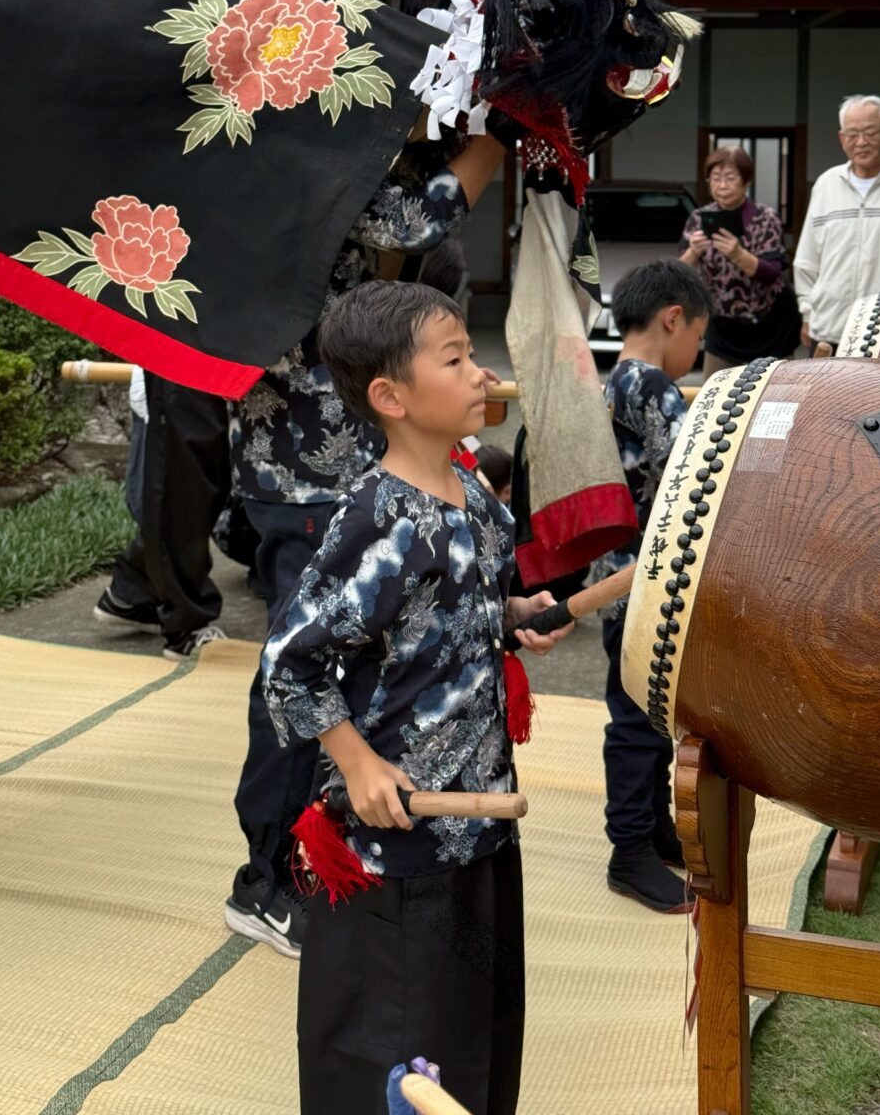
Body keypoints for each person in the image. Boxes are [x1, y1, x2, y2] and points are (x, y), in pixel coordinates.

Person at [262, 280, 572, 1115]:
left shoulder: (474, 495)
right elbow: (290, 663)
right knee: (395, 1059)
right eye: (457, 358)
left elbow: (441, 613)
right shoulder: (377, 520)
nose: (481, 374)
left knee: (472, 1036)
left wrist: (512, 617)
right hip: (395, 845)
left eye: (474, 354)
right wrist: (354, 761)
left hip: (473, 824)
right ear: (390, 397)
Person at [223, 132, 509, 960]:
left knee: (350, 669)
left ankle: (309, 864)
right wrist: (496, 124)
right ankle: (273, 879)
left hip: (304, 462)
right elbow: (416, 217)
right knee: (304, 672)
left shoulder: (261, 158)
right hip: (315, 469)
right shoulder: (289, 165)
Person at [589, 260, 713, 913]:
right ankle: (628, 848)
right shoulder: (654, 388)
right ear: (673, 320)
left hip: (623, 574)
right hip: (640, 581)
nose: (697, 350)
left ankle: (651, 827)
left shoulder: (618, 379)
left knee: (651, 709)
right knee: (639, 717)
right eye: (699, 333)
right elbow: (692, 479)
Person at [93, 372, 230, 660]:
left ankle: (134, 590)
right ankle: (183, 624)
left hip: (208, 353)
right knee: (185, 481)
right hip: (184, 355)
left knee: (207, 478)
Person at [679, 145, 799, 379]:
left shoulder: (765, 218)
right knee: (716, 392)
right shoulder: (699, 219)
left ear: (746, 182)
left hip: (770, 326)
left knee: (776, 395)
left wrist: (738, 254)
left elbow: (773, 273)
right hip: (723, 326)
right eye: (716, 178)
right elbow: (680, 271)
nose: (722, 186)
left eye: (730, 178)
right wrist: (694, 251)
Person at [795, 94, 880, 354]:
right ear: (842, 139)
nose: (862, 142)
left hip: (879, 335)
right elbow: (806, 259)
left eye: (871, 132)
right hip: (828, 331)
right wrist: (808, 312)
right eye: (853, 134)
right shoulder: (826, 184)